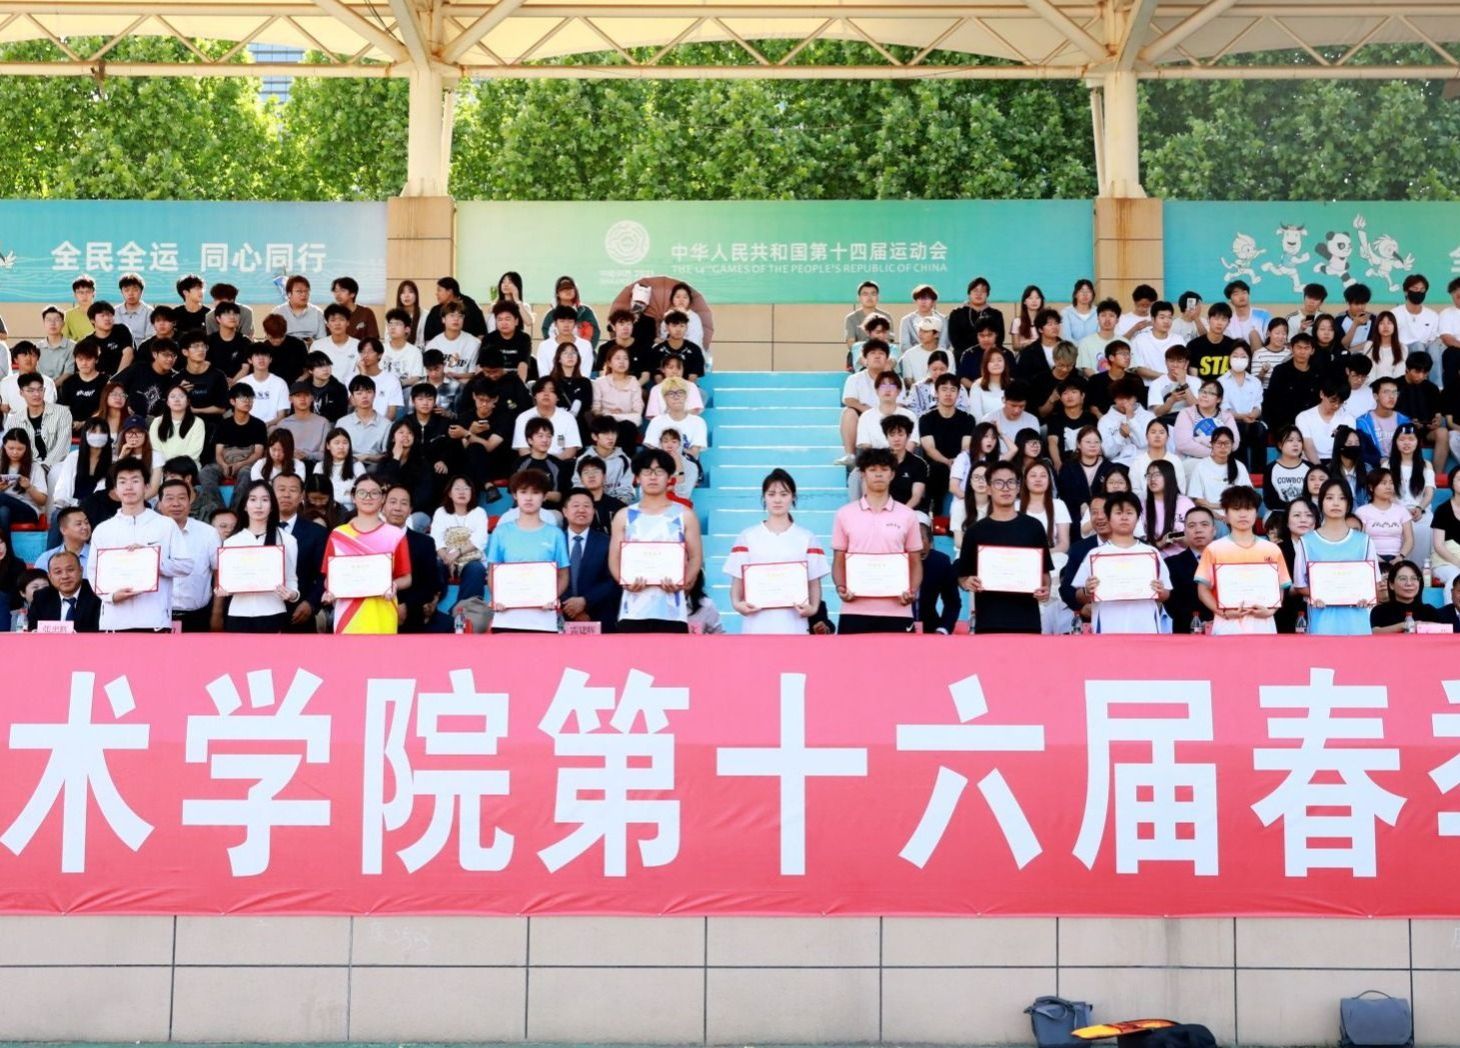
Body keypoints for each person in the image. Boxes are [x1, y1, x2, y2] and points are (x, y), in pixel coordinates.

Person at [84, 458, 193, 632]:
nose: (129, 487)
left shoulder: (166, 525)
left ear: (147, 486)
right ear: (115, 489)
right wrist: (111, 596)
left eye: (135, 480)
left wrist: (153, 560)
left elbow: (186, 566)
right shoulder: (103, 530)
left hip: (154, 620)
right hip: (114, 621)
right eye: (122, 482)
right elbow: (93, 572)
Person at [609, 448, 704, 633]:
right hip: (632, 610)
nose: (653, 477)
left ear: (669, 478)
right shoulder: (624, 516)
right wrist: (624, 581)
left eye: (659, 472)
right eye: (647, 471)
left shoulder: (684, 515)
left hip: (672, 610)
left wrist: (683, 582)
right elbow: (614, 558)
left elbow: (695, 557)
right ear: (637, 478)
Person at [830, 447, 921, 634]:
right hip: (854, 610)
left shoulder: (908, 515)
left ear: (892, 474)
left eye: (884, 469)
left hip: (898, 610)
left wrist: (912, 591)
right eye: (872, 469)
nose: (878, 474)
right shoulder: (844, 514)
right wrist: (841, 587)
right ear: (862, 474)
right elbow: (839, 558)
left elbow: (915, 560)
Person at [725, 468, 827, 634]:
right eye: (771, 494)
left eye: (784, 494)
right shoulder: (747, 536)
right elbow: (737, 579)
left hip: (794, 624)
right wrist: (737, 604)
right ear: (764, 497)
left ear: (793, 497)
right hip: (756, 623)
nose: (777, 500)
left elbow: (814, 581)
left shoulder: (807, 537)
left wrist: (813, 608)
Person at [957, 459, 1053, 634]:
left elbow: (1045, 574)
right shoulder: (975, 531)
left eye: (1011, 482)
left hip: (1027, 620)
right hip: (988, 621)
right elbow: (963, 576)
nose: (1005, 488)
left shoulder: (1033, 527)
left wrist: (1045, 589)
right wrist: (967, 582)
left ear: (1018, 487)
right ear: (988, 488)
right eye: (998, 483)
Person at [320, 474, 412, 635]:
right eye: (362, 492)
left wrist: (392, 585)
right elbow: (330, 578)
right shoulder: (338, 535)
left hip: (382, 612)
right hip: (347, 615)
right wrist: (330, 589)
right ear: (353, 497)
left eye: (374, 493)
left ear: (383, 498)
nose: (368, 497)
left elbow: (406, 578)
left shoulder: (395, 535)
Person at [1069, 490, 1172, 633]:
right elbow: (1079, 596)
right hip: (1107, 626)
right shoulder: (1095, 554)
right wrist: (1087, 590)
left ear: (1138, 518)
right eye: (1118, 513)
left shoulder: (1151, 553)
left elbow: (1166, 593)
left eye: (1129, 513)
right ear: (1109, 517)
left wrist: (1160, 591)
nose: (1124, 517)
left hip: (1145, 625)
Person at [1195, 485, 1291, 635]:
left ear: (1256, 513)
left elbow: (1280, 587)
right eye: (1236, 509)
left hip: (1263, 624)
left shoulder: (1272, 549)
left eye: (1248, 508)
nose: (1243, 514)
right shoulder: (1214, 549)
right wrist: (1222, 612)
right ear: (1226, 514)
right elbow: (1202, 590)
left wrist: (1270, 611)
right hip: (1226, 624)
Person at [483, 469, 570, 633]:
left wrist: (552, 597)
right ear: (515, 495)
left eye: (535, 493)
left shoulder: (555, 534)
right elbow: (493, 572)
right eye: (523, 492)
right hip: (507, 617)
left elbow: (563, 575)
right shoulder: (501, 532)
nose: (529, 498)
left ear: (544, 496)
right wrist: (498, 597)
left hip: (544, 619)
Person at [1292, 478, 1380, 636]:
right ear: (1321, 502)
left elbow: (1374, 582)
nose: (1336, 503)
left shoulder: (1364, 541)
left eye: (1342, 498)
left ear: (1348, 503)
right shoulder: (1306, 542)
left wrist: (1366, 597)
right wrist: (1316, 594)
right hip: (1322, 619)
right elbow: (1300, 585)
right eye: (1329, 498)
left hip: (1357, 620)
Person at [212, 480, 299, 634]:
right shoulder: (231, 542)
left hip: (273, 613)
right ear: (245, 506)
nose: (258, 505)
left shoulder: (287, 540)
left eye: (265, 500)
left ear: (272, 506)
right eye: (253, 499)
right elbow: (227, 581)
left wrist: (292, 594)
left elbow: (292, 579)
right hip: (238, 614)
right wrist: (223, 589)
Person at [271, 471, 326, 634]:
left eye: (293, 490)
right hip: (261, 615)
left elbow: (325, 575)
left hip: (300, 614)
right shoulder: (256, 529)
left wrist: (311, 603)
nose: (286, 495)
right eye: (281, 489)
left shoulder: (317, 533)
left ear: (302, 496)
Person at [561, 487, 620, 631]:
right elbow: (549, 577)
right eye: (576, 506)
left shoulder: (607, 542)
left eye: (587, 506)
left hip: (598, 615)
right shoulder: (554, 541)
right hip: (560, 616)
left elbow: (612, 579)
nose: (581, 510)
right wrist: (570, 607)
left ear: (593, 511)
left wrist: (585, 602)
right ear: (565, 511)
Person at [199, 384, 266, 508]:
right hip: (226, 461)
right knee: (205, 472)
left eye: (250, 398)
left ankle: (235, 511)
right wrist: (224, 465)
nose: (247, 401)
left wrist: (240, 464)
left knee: (247, 474)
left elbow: (258, 453)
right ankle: (219, 510)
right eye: (243, 398)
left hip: (247, 463)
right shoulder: (224, 424)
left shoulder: (259, 425)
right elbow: (218, 452)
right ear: (232, 401)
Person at [430, 474, 489, 599]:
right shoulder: (441, 512)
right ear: (449, 493)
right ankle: (432, 603)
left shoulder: (479, 512)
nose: (462, 492)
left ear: (472, 493)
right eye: (457, 488)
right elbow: (436, 539)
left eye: (466, 488)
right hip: (445, 557)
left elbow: (480, 539)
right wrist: (447, 559)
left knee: (476, 569)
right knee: (435, 566)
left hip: (471, 559)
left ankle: (465, 608)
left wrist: (456, 554)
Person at [1163, 504, 1215, 633]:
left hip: (1225, 630)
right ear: (1185, 532)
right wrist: (1200, 624)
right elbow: (1172, 606)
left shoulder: (1227, 560)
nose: (1198, 530)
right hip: (1187, 632)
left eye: (1204, 524)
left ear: (1214, 530)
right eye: (1192, 526)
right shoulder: (1171, 564)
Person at [1187, 427, 1251, 524]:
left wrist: (1213, 505)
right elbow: (1198, 500)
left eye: (1227, 443)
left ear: (1232, 445)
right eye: (1219, 443)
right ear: (1212, 444)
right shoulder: (1201, 466)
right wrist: (1218, 515)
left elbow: (1246, 497)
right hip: (1210, 515)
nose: (1223, 447)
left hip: (1236, 514)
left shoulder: (1240, 467)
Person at [12, 370, 71, 472]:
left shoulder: (62, 413)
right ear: (21, 393)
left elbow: (62, 447)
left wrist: (44, 467)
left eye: (40, 389)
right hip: (28, 467)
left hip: (55, 467)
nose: (37, 394)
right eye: (31, 391)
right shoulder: (14, 421)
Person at [28, 550, 100, 632]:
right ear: (50, 577)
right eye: (58, 572)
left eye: (70, 570)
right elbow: (33, 629)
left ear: (81, 571)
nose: (65, 576)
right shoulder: (41, 597)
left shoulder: (96, 595)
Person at [1355, 467, 1414, 565]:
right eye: (1383, 483)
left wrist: (1400, 557)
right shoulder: (1362, 512)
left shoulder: (1402, 511)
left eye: (1391, 483)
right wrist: (1376, 558)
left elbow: (1409, 540)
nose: (1389, 487)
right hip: (1370, 559)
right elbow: (1359, 540)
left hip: (1397, 559)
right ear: (1371, 487)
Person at [1055, 426, 1112, 524]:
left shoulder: (1109, 467)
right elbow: (1064, 493)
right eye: (1088, 442)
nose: (1092, 445)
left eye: (1096, 442)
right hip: (1073, 517)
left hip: (1104, 516)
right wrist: (1081, 503)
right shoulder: (1068, 467)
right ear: (1078, 444)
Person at [1370, 559, 1440, 633]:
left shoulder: (1429, 611)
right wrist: (1406, 625)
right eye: (1403, 579)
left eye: (1414, 578)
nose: (1409, 583)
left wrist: (1421, 625)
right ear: (1391, 584)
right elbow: (1375, 632)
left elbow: (1443, 630)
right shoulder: (1380, 611)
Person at [1096, 378, 1154, 467]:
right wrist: (1120, 435)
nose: (1125, 402)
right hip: (1118, 465)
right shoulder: (1104, 421)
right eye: (1120, 398)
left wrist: (1131, 419)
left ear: (1136, 398)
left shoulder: (1149, 416)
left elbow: (1144, 444)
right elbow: (1107, 453)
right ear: (1114, 399)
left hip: (1145, 463)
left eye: (1128, 398)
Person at [0, 427, 47, 536]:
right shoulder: (1, 464)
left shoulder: (35, 468)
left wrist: (29, 487)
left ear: (27, 448)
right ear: (4, 446)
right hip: (7, 510)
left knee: (1, 497)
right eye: (11, 448)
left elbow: (42, 501)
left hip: (28, 511)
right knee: (3, 512)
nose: (15, 452)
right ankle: (6, 547)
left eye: (20, 449)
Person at [1141, 459, 1194, 555]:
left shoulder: (1185, 503)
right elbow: (1141, 543)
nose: (1152, 479)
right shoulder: (1143, 505)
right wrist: (1161, 543)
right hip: (1155, 555)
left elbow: (1194, 539)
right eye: (1149, 475)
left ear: (1169, 476)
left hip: (1183, 556)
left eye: (1157, 475)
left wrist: (1177, 537)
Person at [422, 276, 487, 345]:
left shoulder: (470, 305)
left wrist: (474, 346)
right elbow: (428, 336)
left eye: (439, 290)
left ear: (449, 291)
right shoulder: (435, 310)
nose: (436, 293)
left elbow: (481, 331)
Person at [1185, 302, 1243, 380]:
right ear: (1208, 319)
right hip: (1202, 387)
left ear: (1228, 323)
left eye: (1224, 319)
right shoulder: (1193, 345)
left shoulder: (1233, 346)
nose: (1219, 323)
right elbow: (1193, 378)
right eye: (1216, 318)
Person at [148, 385, 204, 464]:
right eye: (172, 396)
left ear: (188, 402)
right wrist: (165, 466)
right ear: (167, 402)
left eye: (181, 396)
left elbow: (194, 452)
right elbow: (155, 449)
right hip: (161, 466)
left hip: (188, 466)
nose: (177, 400)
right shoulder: (157, 422)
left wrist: (175, 467)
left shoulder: (197, 422)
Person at [543, 275, 601, 345]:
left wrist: (584, 348)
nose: (568, 291)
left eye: (570, 288)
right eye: (563, 289)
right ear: (557, 293)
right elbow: (547, 336)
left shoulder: (586, 312)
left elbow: (594, 333)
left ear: (575, 291)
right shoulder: (550, 315)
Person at [272, 274, 327, 343]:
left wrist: (312, 344)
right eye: (299, 291)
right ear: (289, 294)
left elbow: (322, 340)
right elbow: (272, 339)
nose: (304, 294)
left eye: (306, 291)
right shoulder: (278, 312)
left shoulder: (317, 313)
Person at [1430, 471, 1460, 589]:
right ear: (1452, 483)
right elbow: (1439, 545)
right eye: (1459, 479)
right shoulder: (1442, 510)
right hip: (1445, 562)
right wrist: (1458, 563)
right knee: (1456, 578)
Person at [899, 284, 950, 352]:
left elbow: (944, 344)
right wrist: (919, 354)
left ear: (933, 302)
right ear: (915, 301)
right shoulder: (906, 320)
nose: (923, 302)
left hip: (937, 356)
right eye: (920, 298)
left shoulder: (943, 319)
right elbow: (904, 345)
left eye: (927, 298)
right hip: (914, 356)